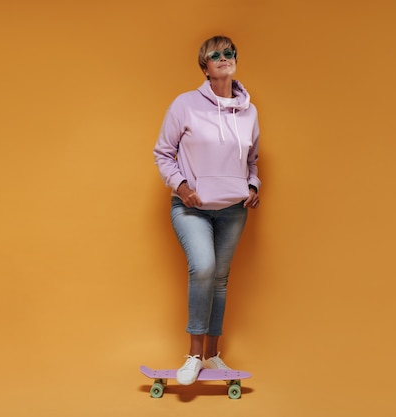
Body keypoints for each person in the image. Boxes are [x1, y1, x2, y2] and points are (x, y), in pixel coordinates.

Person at [153, 35, 261, 385]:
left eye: (229, 53)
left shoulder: (249, 112)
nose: (224, 57)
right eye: (216, 55)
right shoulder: (184, 105)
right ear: (205, 67)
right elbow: (162, 153)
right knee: (203, 268)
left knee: (219, 280)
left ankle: (213, 355)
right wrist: (182, 188)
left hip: (233, 209)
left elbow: (253, 161)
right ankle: (194, 355)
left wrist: (253, 186)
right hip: (191, 207)